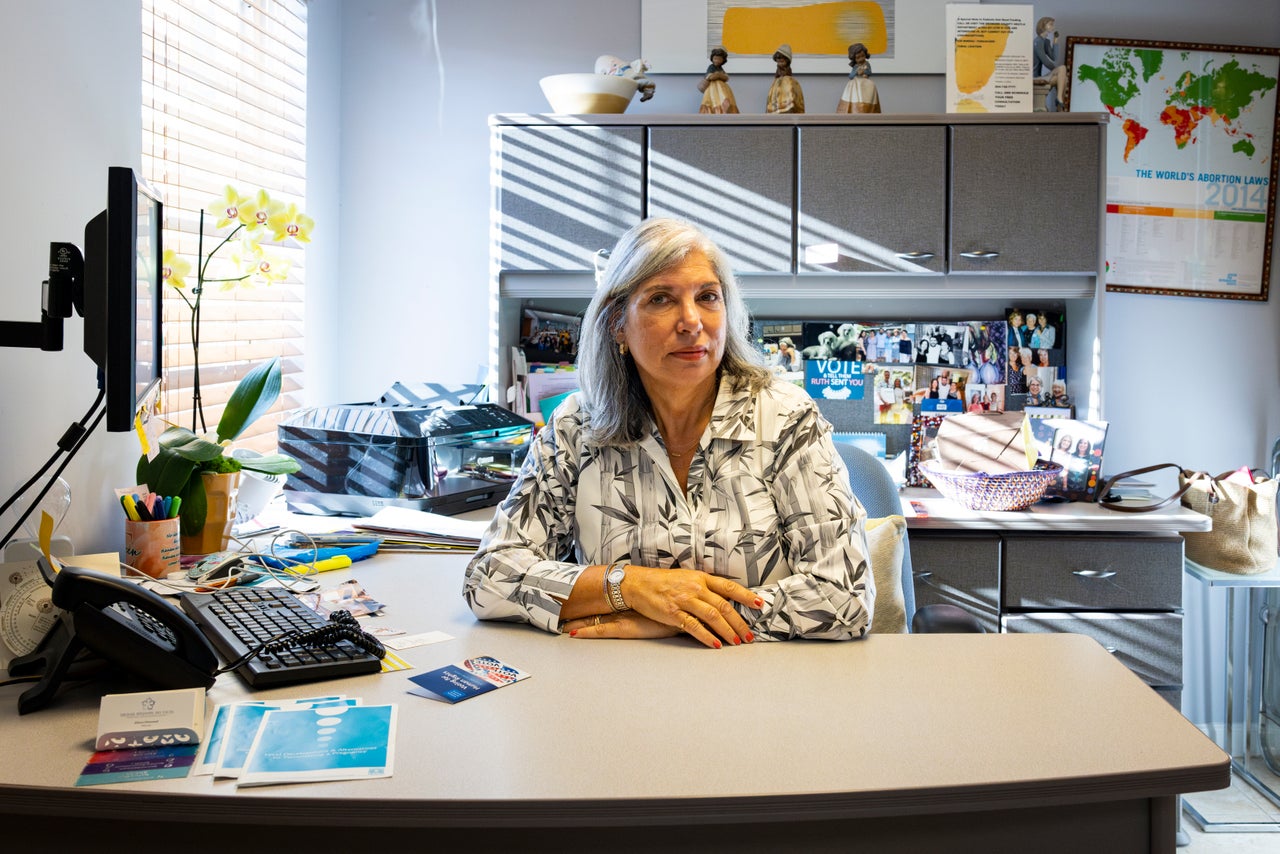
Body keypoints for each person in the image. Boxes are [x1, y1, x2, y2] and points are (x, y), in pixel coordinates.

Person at [464, 218, 874, 645]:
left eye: (708, 297)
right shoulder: (576, 427)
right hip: (616, 684)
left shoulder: (785, 417)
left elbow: (847, 596)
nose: (692, 321)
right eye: (661, 299)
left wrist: (675, 618)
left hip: (758, 682)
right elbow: (488, 578)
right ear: (617, 324)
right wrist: (631, 587)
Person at [1034, 17, 1068, 112]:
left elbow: (1054, 57)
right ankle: (1059, 101)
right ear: (1043, 26)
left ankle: (1059, 103)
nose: (1053, 27)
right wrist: (1057, 70)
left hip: (1040, 76)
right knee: (1062, 69)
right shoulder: (1037, 42)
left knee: (1063, 77)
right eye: (1050, 24)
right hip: (1034, 77)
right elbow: (1045, 61)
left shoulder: (1046, 41)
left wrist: (1055, 40)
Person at [836, 42, 880, 113]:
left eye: (862, 56)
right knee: (854, 93)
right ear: (854, 59)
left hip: (866, 83)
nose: (861, 59)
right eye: (858, 57)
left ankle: (867, 109)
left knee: (870, 88)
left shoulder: (867, 64)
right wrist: (856, 72)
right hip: (856, 84)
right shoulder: (855, 67)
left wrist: (864, 72)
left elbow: (869, 72)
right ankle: (854, 109)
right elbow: (850, 76)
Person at [697, 46, 739, 115]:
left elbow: (726, 77)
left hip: (721, 86)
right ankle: (718, 108)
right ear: (712, 58)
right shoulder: (711, 67)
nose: (717, 61)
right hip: (713, 87)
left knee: (723, 94)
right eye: (715, 58)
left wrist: (720, 75)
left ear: (723, 60)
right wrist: (718, 75)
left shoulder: (720, 68)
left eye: (719, 59)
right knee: (714, 99)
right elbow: (710, 76)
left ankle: (724, 107)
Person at [766, 44, 805, 114]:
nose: (779, 62)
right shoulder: (776, 82)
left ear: (787, 61)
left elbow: (794, 105)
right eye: (778, 61)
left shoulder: (791, 82)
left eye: (781, 60)